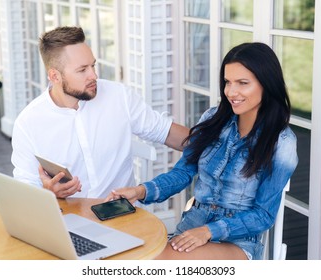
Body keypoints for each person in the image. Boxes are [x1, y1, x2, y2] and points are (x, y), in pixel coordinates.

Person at [107, 42, 299, 260]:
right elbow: (182, 174)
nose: (231, 92)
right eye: (227, 82)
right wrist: (140, 191)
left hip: (237, 241)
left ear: (267, 84)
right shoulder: (212, 119)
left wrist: (209, 231)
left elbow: (263, 216)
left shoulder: (282, 142)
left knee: (157, 263)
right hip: (192, 226)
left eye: (242, 83)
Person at [11, 26, 189, 199]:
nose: (94, 76)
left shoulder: (119, 96)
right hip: (67, 221)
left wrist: (214, 139)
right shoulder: (28, 123)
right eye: (82, 70)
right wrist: (48, 191)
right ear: (55, 76)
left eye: (93, 66)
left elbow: (165, 132)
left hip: (120, 218)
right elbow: (25, 187)